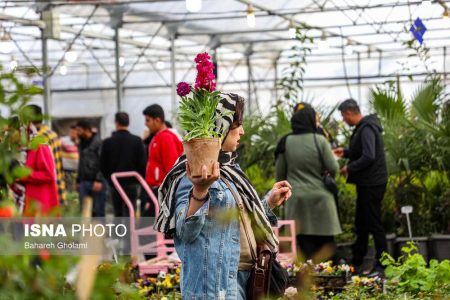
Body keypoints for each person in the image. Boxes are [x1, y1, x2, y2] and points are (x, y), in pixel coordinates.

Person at [154, 93, 292, 299]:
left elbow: (235, 219)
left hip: (242, 279)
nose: (242, 132)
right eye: (237, 126)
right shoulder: (193, 172)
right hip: (215, 285)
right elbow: (185, 232)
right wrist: (200, 190)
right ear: (221, 126)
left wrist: (268, 202)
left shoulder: (227, 169)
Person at [275, 103, 341, 261]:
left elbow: (280, 175)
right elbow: (334, 168)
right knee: (326, 247)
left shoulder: (285, 142)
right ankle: (328, 280)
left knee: (303, 249)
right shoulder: (320, 140)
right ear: (310, 121)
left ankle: (305, 283)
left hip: (296, 200)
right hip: (322, 200)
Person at [333, 99, 388, 275]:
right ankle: (357, 261)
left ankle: (382, 264)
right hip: (367, 183)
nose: (343, 120)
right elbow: (362, 151)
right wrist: (346, 152)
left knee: (373, 223)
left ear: (349, 112)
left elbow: (369, 156)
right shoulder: (365, 128)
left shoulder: (367, 128)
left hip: (372, 183)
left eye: (343, 116)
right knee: (362, 223)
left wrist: (349, 167)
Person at [100, 112, 146, 217]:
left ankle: (119, 233)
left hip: (115, 184)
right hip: (132, 183)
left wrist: (109, 179)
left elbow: (103, 165)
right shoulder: (137, 141)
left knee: (118, 213)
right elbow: (142, 163)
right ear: (128, 123)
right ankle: (131, 233)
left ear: (116, 123)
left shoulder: (108, 142)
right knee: (130, 212)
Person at [142, 104, 183, 215]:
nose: (145, 124)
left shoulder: (166, 138)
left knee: (149, 225)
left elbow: (171, 167)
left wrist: (167, 191)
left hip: (162, 191)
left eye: (148, 120)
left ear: (157, 120)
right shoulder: (160, 136)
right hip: (159, 190)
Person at [11, 122, 59, 216]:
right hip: (23, 202)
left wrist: (23, 176)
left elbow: (49, 174)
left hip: (38, 201)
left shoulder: (39, 146)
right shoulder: (20, 150)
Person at [27, 104, 66, 205]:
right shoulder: (51, 134)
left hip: (45, 192)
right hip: (57, 186)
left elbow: (45, 172)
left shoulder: (39, 139)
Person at [75, 120, 107, 217]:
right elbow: (81, 162)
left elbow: (103, 162)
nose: (77, 133)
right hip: (84, 182)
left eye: (79, 130)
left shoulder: (98, 143)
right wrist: (78, 180)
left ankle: (99, 232)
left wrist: (99, 179)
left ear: (86, 130)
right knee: (85, 212)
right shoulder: (82, 143)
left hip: (96, 182)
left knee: (98, 211)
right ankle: (87, 232)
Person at [61, 125, 79, 192]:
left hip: (77, 170)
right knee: (68, 188)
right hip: (66, 169)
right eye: (71, 132)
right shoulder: (63, 140)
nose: (72, 134)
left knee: (76, 189)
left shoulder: (81, 141)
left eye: (74, 132)